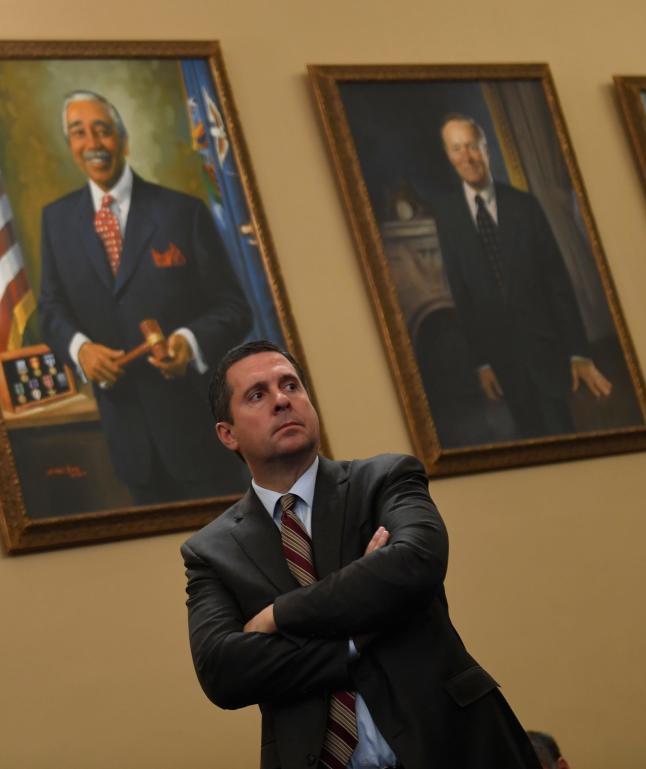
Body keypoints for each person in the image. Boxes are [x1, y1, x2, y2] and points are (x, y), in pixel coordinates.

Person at [181, 340, 542, 769]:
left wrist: (280, 615)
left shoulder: (385, 479)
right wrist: (358, 632)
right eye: (258, 395)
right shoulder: (212, 551)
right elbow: (224, 671)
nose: (281, 400)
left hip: (456, 746)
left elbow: (415, 563)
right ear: (228, 434)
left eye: (291, 385)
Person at [39, 90, 251, 504]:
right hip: (128, 446)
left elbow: (234, 308)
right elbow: (50, 308)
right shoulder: (56, 220)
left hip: (200, 436)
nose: (93, 144)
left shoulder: (181, 212)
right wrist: (80, 350)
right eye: (79, 133)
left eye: (102, 130)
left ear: (123, 139)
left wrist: (189, 343)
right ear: (70, 146)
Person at [432, 114, 612, 439]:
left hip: (548, 353)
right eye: (457, 149)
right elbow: (462, 294)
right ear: (448, 155)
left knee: (567, 441)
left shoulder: (525, 205)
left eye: (473, 146)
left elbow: (557, 283)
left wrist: (578, 352)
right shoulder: (447, 218)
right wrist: (482, 363)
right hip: (500, 366)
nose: (467, 157)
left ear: (486, 149)